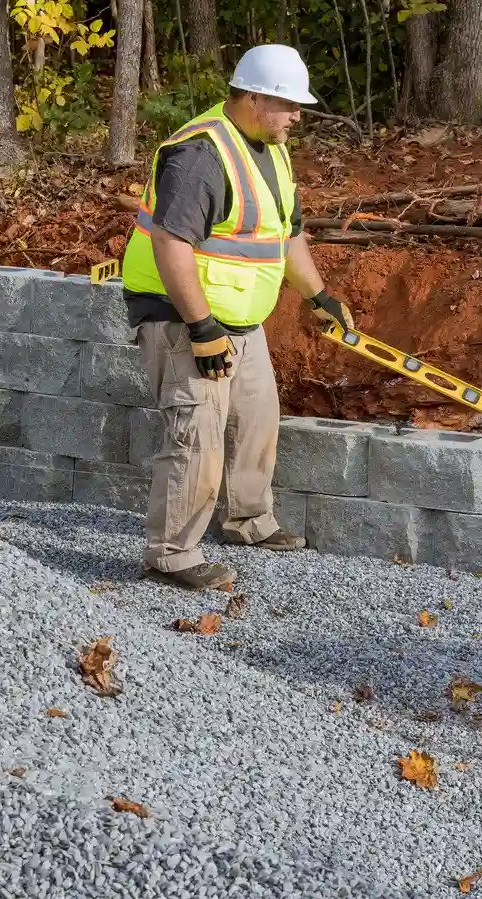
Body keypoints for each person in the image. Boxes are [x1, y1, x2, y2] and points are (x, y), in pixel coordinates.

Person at [120, 45, 354, 591]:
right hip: (183, 318)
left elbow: (285, 234)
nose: (298, 116)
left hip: (241, 321)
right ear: (252, 98)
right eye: (289, 105)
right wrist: (202, 330)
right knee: (195, 434)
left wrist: (319, 296)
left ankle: (248, 521)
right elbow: (171, 244)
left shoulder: (272, 148)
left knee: (256, 420)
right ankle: (170, 554)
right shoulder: (201, 154)